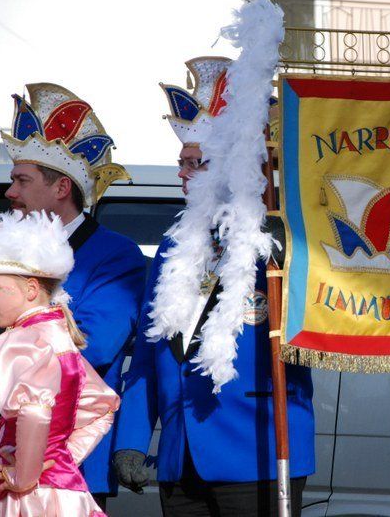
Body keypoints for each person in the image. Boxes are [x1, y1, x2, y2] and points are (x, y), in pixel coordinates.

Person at [112, 57, 315, 517]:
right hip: (180, 454)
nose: (182, 174)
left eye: (194, 163)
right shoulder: (173, 244)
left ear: (228, 166)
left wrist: (290, 248)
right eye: (181, 163)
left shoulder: (282, 238)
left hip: (257, 448)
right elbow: (150, 352)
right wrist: (132, 439)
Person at [0, 83, 146, 509]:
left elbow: (93, 344)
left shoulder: (116, 255)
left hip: (63, 462)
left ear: (60, 189)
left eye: (21, 180)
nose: (10, 192)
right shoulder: (5, 250)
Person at [0, 210, 120, 517]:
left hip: (29, 499)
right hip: (64, 492)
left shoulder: (20, 340)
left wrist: (24, 476)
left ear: (31, 289)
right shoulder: (59, 337)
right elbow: (103, 407)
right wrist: (61, 457)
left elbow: (34, 410)